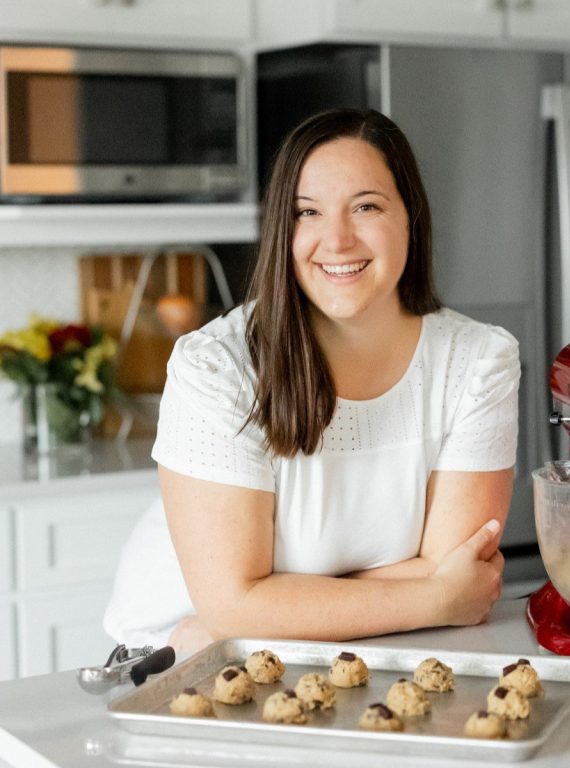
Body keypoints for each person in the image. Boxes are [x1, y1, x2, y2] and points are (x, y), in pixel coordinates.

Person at [104, 108, 520, 653]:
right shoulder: (219, 368)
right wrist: (435, 599)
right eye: (308, 212)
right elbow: (230, 603)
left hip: (351, 650)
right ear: (284, 228)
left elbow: (454, 567)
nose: (338, 240)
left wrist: (259, 614)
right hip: (175, 656)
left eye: (366, 206)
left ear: (410, 218)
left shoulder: (477, 363)